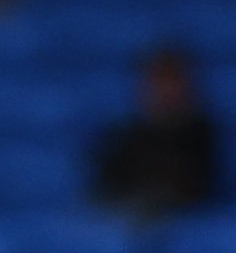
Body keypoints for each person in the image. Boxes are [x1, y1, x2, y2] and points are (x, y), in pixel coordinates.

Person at [89, 43, 228, 223]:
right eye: (159, 81)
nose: (166, 91)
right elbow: (105, 190)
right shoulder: (124, 138)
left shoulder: (203, 137)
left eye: (172, 81)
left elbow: (200, 189)